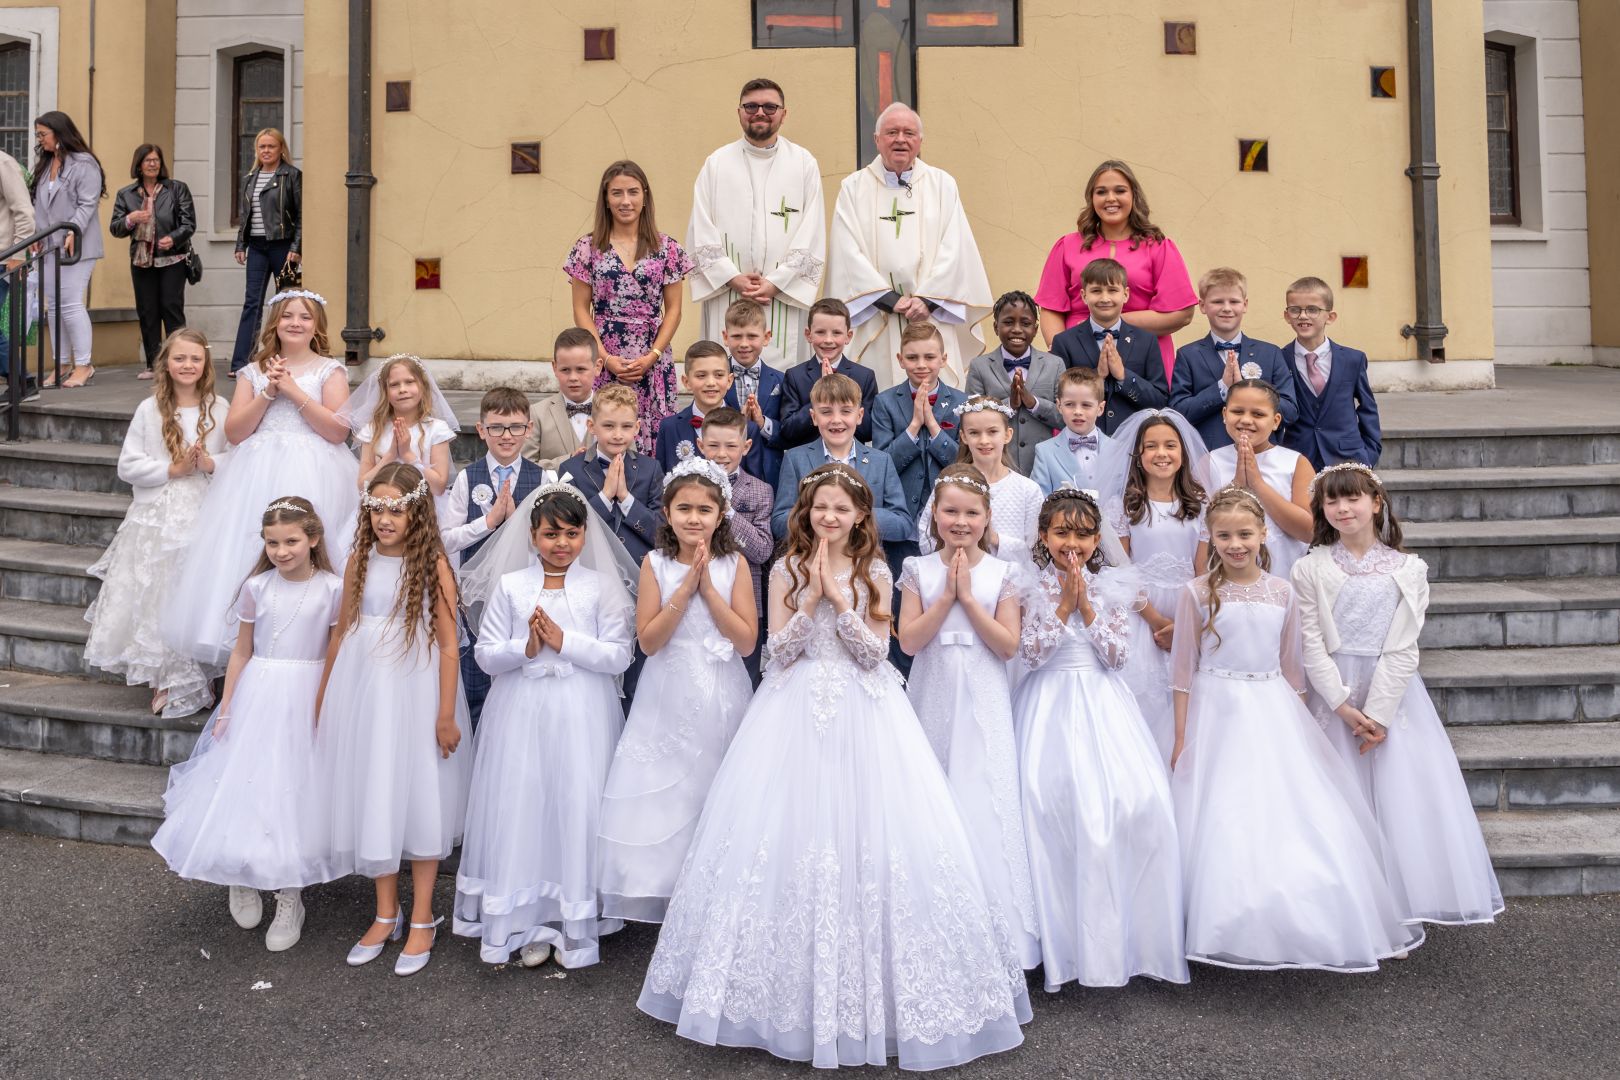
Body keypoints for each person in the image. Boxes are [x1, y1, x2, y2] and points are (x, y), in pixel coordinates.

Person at [639, 463, 1032, 1071]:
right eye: (820, 507)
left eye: (841, 509)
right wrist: (809, 599)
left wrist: (841, 601)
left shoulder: (876, 570)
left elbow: (877, 653)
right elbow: (775, 653)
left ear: (859, 517)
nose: (829, 516)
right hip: (791, 709)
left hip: (865, 708)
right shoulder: (785, 568)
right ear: (807, 511)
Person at [1169, 486, 1424, 971]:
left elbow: (1292, 670)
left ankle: (1295, 914)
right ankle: (1216, 916)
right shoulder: (1196, 593)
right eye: (1224, 536)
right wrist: (1181, 738)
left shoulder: (1282, 591)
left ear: (1263, 534)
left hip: (1272, 709)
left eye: (1245, 534)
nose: (1235, 544)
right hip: (1214, 708)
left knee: (1285, 811)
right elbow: (1182, 673)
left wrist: (1301, 729)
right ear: (1211, 538)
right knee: (1219, 810)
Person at [1293, 463, 1503, 925]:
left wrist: (1378, 714)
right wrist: (1342, 706)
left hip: (1391, 695)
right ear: (1322, 509)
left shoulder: (1410, 569)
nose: (1343, 508)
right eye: (1332, 500)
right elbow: (1310, 642)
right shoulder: (1310, 567)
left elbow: (1404, 647)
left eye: (1353, 498)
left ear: (1376, 503)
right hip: (1332, 695)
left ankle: (1393, 913)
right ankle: (1350, 912)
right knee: (1337, 801)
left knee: (1395, 803)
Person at [454, 482, 635, 969]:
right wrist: (527, 648)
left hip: (582, 712)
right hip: (522, 711)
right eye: (551, 534)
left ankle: (572, 917)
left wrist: (563, 640)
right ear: (533, 535)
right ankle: (527, 918)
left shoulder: (600, 587)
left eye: (571, 534)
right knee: (525, 803)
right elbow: (487, 656)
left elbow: (619, 655)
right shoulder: (512, 586)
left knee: (575, 803)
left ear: (584, 535)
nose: (561, 543)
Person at [151, 497, 343, 952]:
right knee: (248, 785)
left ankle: (290, 893)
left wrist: (327, 704)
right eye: (272, 543)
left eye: (291, 541)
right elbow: (241, 651)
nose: (282, 551)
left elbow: (335, 651)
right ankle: (241, 873)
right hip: (259, 693)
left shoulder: (333, 589)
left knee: (294, 793)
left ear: (313, 539)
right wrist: (228, 706)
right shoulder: (257, 586)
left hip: (307, 693)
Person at [1015, 487, 1188, 989]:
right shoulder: (1027, 587)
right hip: (1047, 700)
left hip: (1102, 699)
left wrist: (1086, 607)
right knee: (1046, 808)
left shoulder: (1113, 586)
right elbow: (1031, 654)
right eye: (1061, 533)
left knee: (1132, 804)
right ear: (1044, 536)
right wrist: (1062, 606)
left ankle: (1121, 938)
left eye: (1083, 534)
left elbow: (1116, 657)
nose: (1072, 543)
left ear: (1097, 540)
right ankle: (1059, 945)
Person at [317, 464, 471, 977]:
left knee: (421, 796)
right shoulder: (358, 560)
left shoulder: (432, 565)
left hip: (415, 692)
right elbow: (342, 630)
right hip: (364, 693)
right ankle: (386, 912)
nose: (385, 518)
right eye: (377, 507)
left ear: (417, 512)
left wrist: (445, 713)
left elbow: (447, 643)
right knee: (374, 794)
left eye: (397, 508)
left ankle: (423, 915)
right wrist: (324, 697)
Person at [599, 453, 757, 924]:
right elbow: (649, 641)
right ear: (666, 513)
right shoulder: (655, 563)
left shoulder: (734, 564)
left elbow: (747, 642)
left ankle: (713, 891)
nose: (694, 518)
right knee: (666, 789)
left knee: (714, 784)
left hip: (722, 691)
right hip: (666, 692)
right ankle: (662, 887)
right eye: (684, 509)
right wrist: (685, 590)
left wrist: (709, 590)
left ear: (721, 514)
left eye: (704, 510)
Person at [162, 289, 357, 668]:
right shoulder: (253, 371)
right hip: (255, 472)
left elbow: (338, 431)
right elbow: (236, 432)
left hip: (316, 471)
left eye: (305, 317)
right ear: (275, 323)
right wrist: (268, 391)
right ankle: (245, 647)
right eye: (288, 316)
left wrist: (294, 391)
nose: (295, 323)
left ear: (316, 326)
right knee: (244, 549)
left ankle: (309, 644)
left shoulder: (329, 371)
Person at [897, 464, 1040, 969]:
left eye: (971, 513)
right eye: (951, 512)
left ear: (987, 517)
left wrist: (968, 599)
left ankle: (998, 936)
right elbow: (909, 641)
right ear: (934, 515)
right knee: (933, 791)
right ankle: (932, 928)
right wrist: (946, 597)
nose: (960, 522)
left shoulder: (1004, 573)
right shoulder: (917, 569)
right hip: (934, 687)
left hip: (983, 690)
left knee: (984, 794)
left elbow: (1007, 646)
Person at [83, 330, 229, 717]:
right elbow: (128, 464)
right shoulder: (149, 410)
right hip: (157, 516)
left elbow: (236, 457)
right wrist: (171, 469)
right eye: (180, 358)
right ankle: (164, 675)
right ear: (166, 363)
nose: (187, 365)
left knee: (194, 590)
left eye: (195, 359)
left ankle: (198, 671)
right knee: (158, 592)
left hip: (205, 511)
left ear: (206, 364)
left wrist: (209, 463)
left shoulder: (220, 408)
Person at [827, 103, 992, 388]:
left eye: (909, 133)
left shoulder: (942, 184)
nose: (900, 139)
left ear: (920, 141)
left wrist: (926, 300)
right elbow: (846, 251)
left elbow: (955, 248)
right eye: (892, 132)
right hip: (878, 315)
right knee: (878, 391)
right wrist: (890, 299)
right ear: (877, 139)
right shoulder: (853, 188)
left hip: (930, 314)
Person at [686, 78, 825, 369]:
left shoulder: (803, 163)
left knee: (783, 379)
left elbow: (812, 229)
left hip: (783, 296)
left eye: (769, 107)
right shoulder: (717, 164)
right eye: (751, 106)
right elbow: (700, 227)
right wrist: (731, 276)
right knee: (721, 373)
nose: (760, 112)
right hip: (728, 291)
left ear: (783, 114)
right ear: (739, 112)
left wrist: (777, 282)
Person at [1098, 409, 1211, 764]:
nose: (1161, 453)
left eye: (1170, 445)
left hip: (1186, 610)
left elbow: (1203, 571)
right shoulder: (1122, 507)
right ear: (1139, 455)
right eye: (1151, 446)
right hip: (1140, 613)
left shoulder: (1201, 506)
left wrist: (1185, 626)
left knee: (1183, 695)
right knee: (1144, 697)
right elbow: (1120, 571)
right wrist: (1156, 620)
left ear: (1183, 453)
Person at [566, 160, 693, 456]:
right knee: (609, 429)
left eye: (633, 192)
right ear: (606, 199)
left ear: (645, 196)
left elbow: (674, 310)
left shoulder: (667, 248)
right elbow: (581, 310)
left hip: (653, 356)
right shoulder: (587, 248)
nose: (626, 201)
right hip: (605, 354)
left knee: (655, 436)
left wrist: (653, 356)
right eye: (617, 193)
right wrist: (605, 358)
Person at [1035, 159, 1195, 383]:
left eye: (1120, 191)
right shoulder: (1067, 246)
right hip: (1079, 361)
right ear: (1092, 198)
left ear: (1134, 196)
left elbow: (1182, 314)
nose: (1110, 198)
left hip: (1145, 362)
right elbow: (1051, 308)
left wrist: (1114, 322)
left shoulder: (1159, 247)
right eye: (1101, 192)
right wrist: (1065, 352)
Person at [441, 387, 546, 725]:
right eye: (497, 427)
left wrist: (516, 524)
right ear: (481, 430)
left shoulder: (541, 477)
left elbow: (548, 544)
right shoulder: (467, 478)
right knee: (477, 673)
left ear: (528, 429)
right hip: (478, 595)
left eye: (516, 427)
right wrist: (487, 523)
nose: (506, 436)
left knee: (519, 667)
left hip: (525, 592)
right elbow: (447, 539)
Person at [771, 372, 908, 543]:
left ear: (859, 416)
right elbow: (779, 523)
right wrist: (819, 516)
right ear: (814, 417)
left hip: (864, 556)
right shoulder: (795, 459)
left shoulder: (881, 461)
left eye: (846, 411)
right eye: (826, 412)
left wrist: (854, 514)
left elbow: (902, 524)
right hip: (814, 554)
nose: (836, 420)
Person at [1169, 267, 1298, 450]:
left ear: (1245, 305)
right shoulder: (1188, 355)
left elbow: (1291, 412)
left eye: (1234, 301)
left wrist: (1247, 390)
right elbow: (1178, 413)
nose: (1227, 308)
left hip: (1262, 455)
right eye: (1217, 301)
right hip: (1208, 454)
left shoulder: (1271, 353)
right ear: (1203, 306)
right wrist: (1222, 388)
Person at [869, 321, 968, 545]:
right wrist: (914, 425)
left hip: (948, 515)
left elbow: (963, 463)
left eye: (929, 357)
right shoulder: (884, 402)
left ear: (943, 359)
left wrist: (932, 425)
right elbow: (883, 464)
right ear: (900, 359)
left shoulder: (962, 402)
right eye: (912, 357)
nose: (921, 364)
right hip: (901, 514)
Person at [916, 397, 1043, 570]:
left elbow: (1035, 552)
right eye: (974, 433)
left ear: (1007, 435)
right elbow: (926, 537)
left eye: (992, 432)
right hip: (954, 574)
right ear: (964, 436)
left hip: (1011, 580)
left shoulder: (1028, 490)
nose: (984, 440)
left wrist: (993, 538)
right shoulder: (949, 483)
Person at [1206, 378, 1314, 580]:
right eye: (1238, 411)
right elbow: (1202, 529)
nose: (1246, 420)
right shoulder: (1210, 461)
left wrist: (1257, 483)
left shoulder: (1296, 463)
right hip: (1224, 580)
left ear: (1276, 421)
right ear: (1224, 414)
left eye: (1258, 414)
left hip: (1284, 578)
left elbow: (1309, 531)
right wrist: (1238, 485)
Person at [696, 407, 774, 683]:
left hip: (743, 604)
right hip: (695, 598)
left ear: (746, 446)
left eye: (731, 446)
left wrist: (727, 511)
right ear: (700, 446)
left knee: (743, 683)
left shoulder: (760, 491)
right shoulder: (685, 487)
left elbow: (762, 550)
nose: (722, 454)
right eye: (713, 446)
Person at [1050, 258, 1168, 435]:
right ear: (1083, 295)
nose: (1105, 298)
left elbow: (1160, 401)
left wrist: (1123, 376)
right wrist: (1097, 376)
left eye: (1112, 290)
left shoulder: (1147, 341)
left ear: (1125, 294)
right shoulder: (1064, 342)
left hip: (1133, 441)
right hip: (1082, 440)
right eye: (1096, 291)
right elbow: (1058, 399)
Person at [30, 110, 105, 388]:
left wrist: (74, 229)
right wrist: (37, 234)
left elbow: (88, 203)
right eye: (38, 135)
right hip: (50, 246)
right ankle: (61, 364)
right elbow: (39, 205)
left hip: (77, 246)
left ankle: (84, 364)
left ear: (59, 133)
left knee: (71, 302)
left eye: (43, 134)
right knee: (53, 307)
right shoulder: (46, 164)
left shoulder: (84, 163)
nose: (40, 139)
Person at [340, 353, 460, 522]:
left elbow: (439, 487)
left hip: (424, 513)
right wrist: (390, 456)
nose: (402, 389)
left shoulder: (436, 430)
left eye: (409, 382)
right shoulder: (373, 430)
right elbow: (362, 486)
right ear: (385, 392)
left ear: (423, 386)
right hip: (382, 512)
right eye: (394, 384)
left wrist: (407, 455)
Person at [109, 144, 195, 379]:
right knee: (148, 312)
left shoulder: (176, 189)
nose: (153, 164)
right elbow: (115, 228)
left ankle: (180, 361)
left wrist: (173, 238)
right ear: (139, 165)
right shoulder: (126, 194)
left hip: (172, 259)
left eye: (156, 159)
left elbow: (189, 223)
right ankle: (154, 365)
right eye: (148, 160)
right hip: (141, 260)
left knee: (171, 308)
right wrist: (131, 218)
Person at [1279, 276, 1382, 469]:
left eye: (1313, 309)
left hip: (1347, 457)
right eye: (1295, 309)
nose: (1303, 316)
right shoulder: (1279, 359)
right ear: (1287, 316)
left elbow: (1368, 408)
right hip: (1298, 457)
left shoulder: (1353, 359)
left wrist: (1370, 453)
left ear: (1330, 317)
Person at [558, 384, 666, 566]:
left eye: (626, 426)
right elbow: (568, 530)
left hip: (641, 569)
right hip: (591, 567)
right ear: (591, 426)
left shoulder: (651, 468)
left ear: (637, 427)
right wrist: (605, 496)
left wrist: (625, 497)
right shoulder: (571, 470)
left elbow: (662, 533)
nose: (618, 435)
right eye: (608, 426)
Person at [966, 291, 1065, 475]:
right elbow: (971, 420)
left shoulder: (1055, 364)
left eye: (1025, 323)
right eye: (1008, 322)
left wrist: (1034, 403)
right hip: (995, 469)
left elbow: (1064, 419)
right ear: (996, 327)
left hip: (1042, 469)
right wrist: (1009, 404)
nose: (1017, 329)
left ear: (1035, 329)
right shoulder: (979, 366)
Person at [229, 128, 301, 375]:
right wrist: (241, 244)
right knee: (252, 303)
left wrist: (296, 247)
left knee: (286, 305)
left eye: (271, 146)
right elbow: (246, 216)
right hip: (257, 247)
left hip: (283, 247)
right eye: (262, 147)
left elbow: (302, 215)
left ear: (281, 149)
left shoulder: (292, 175)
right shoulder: (250, 178)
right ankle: (241, 363)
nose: (266, 151)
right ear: (256, 150)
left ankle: (287, 359)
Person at [654, 340, 765, 479]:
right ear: (686, 382)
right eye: (701, 375)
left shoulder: (748, 428)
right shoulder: (669, 427)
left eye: (719, 375)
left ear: (729, 380)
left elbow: (754, 483)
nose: (711, 383)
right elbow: (660, 480)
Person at [777, 297, 878, 449]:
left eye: (836, 333)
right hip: (809, 459)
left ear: (848, 336)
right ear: (808, 334)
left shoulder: (864, 376)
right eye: (820, 332)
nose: (828, 340)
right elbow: (788, 429)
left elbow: (869, 431)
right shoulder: (795, 376)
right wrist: (820, 396)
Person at [719, 297, 788, 488]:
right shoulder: (716, 378)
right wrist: (738, 422)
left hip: (768, 474)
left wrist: (762, 422)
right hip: (725, 471)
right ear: (725, 337)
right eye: (736, 336)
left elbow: (788, 431)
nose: (744, 344)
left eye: (751, 336)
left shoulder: (781, 380)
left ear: (766, 337)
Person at [524, 327, 600, 469]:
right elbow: (525, 468)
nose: (573, 377)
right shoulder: (536, 413)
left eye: (581, 369)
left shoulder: (615, 411)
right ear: (554, 367)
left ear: (597, 367)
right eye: (565, 370)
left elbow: (631, 463)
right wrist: (568, 461)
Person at [1030, 367, 1109, 495]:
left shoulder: (1118, 449)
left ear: (1100, 408)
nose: (1077, 411)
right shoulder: (1045, 451)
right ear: (1059, 406)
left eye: (1086, 405)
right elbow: (1038, 499)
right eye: (1069, 404)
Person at [0, 147, 34, 401]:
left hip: (3, 257)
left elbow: (24, 212)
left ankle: (22, 381)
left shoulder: (4, 164)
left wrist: (18, 255)